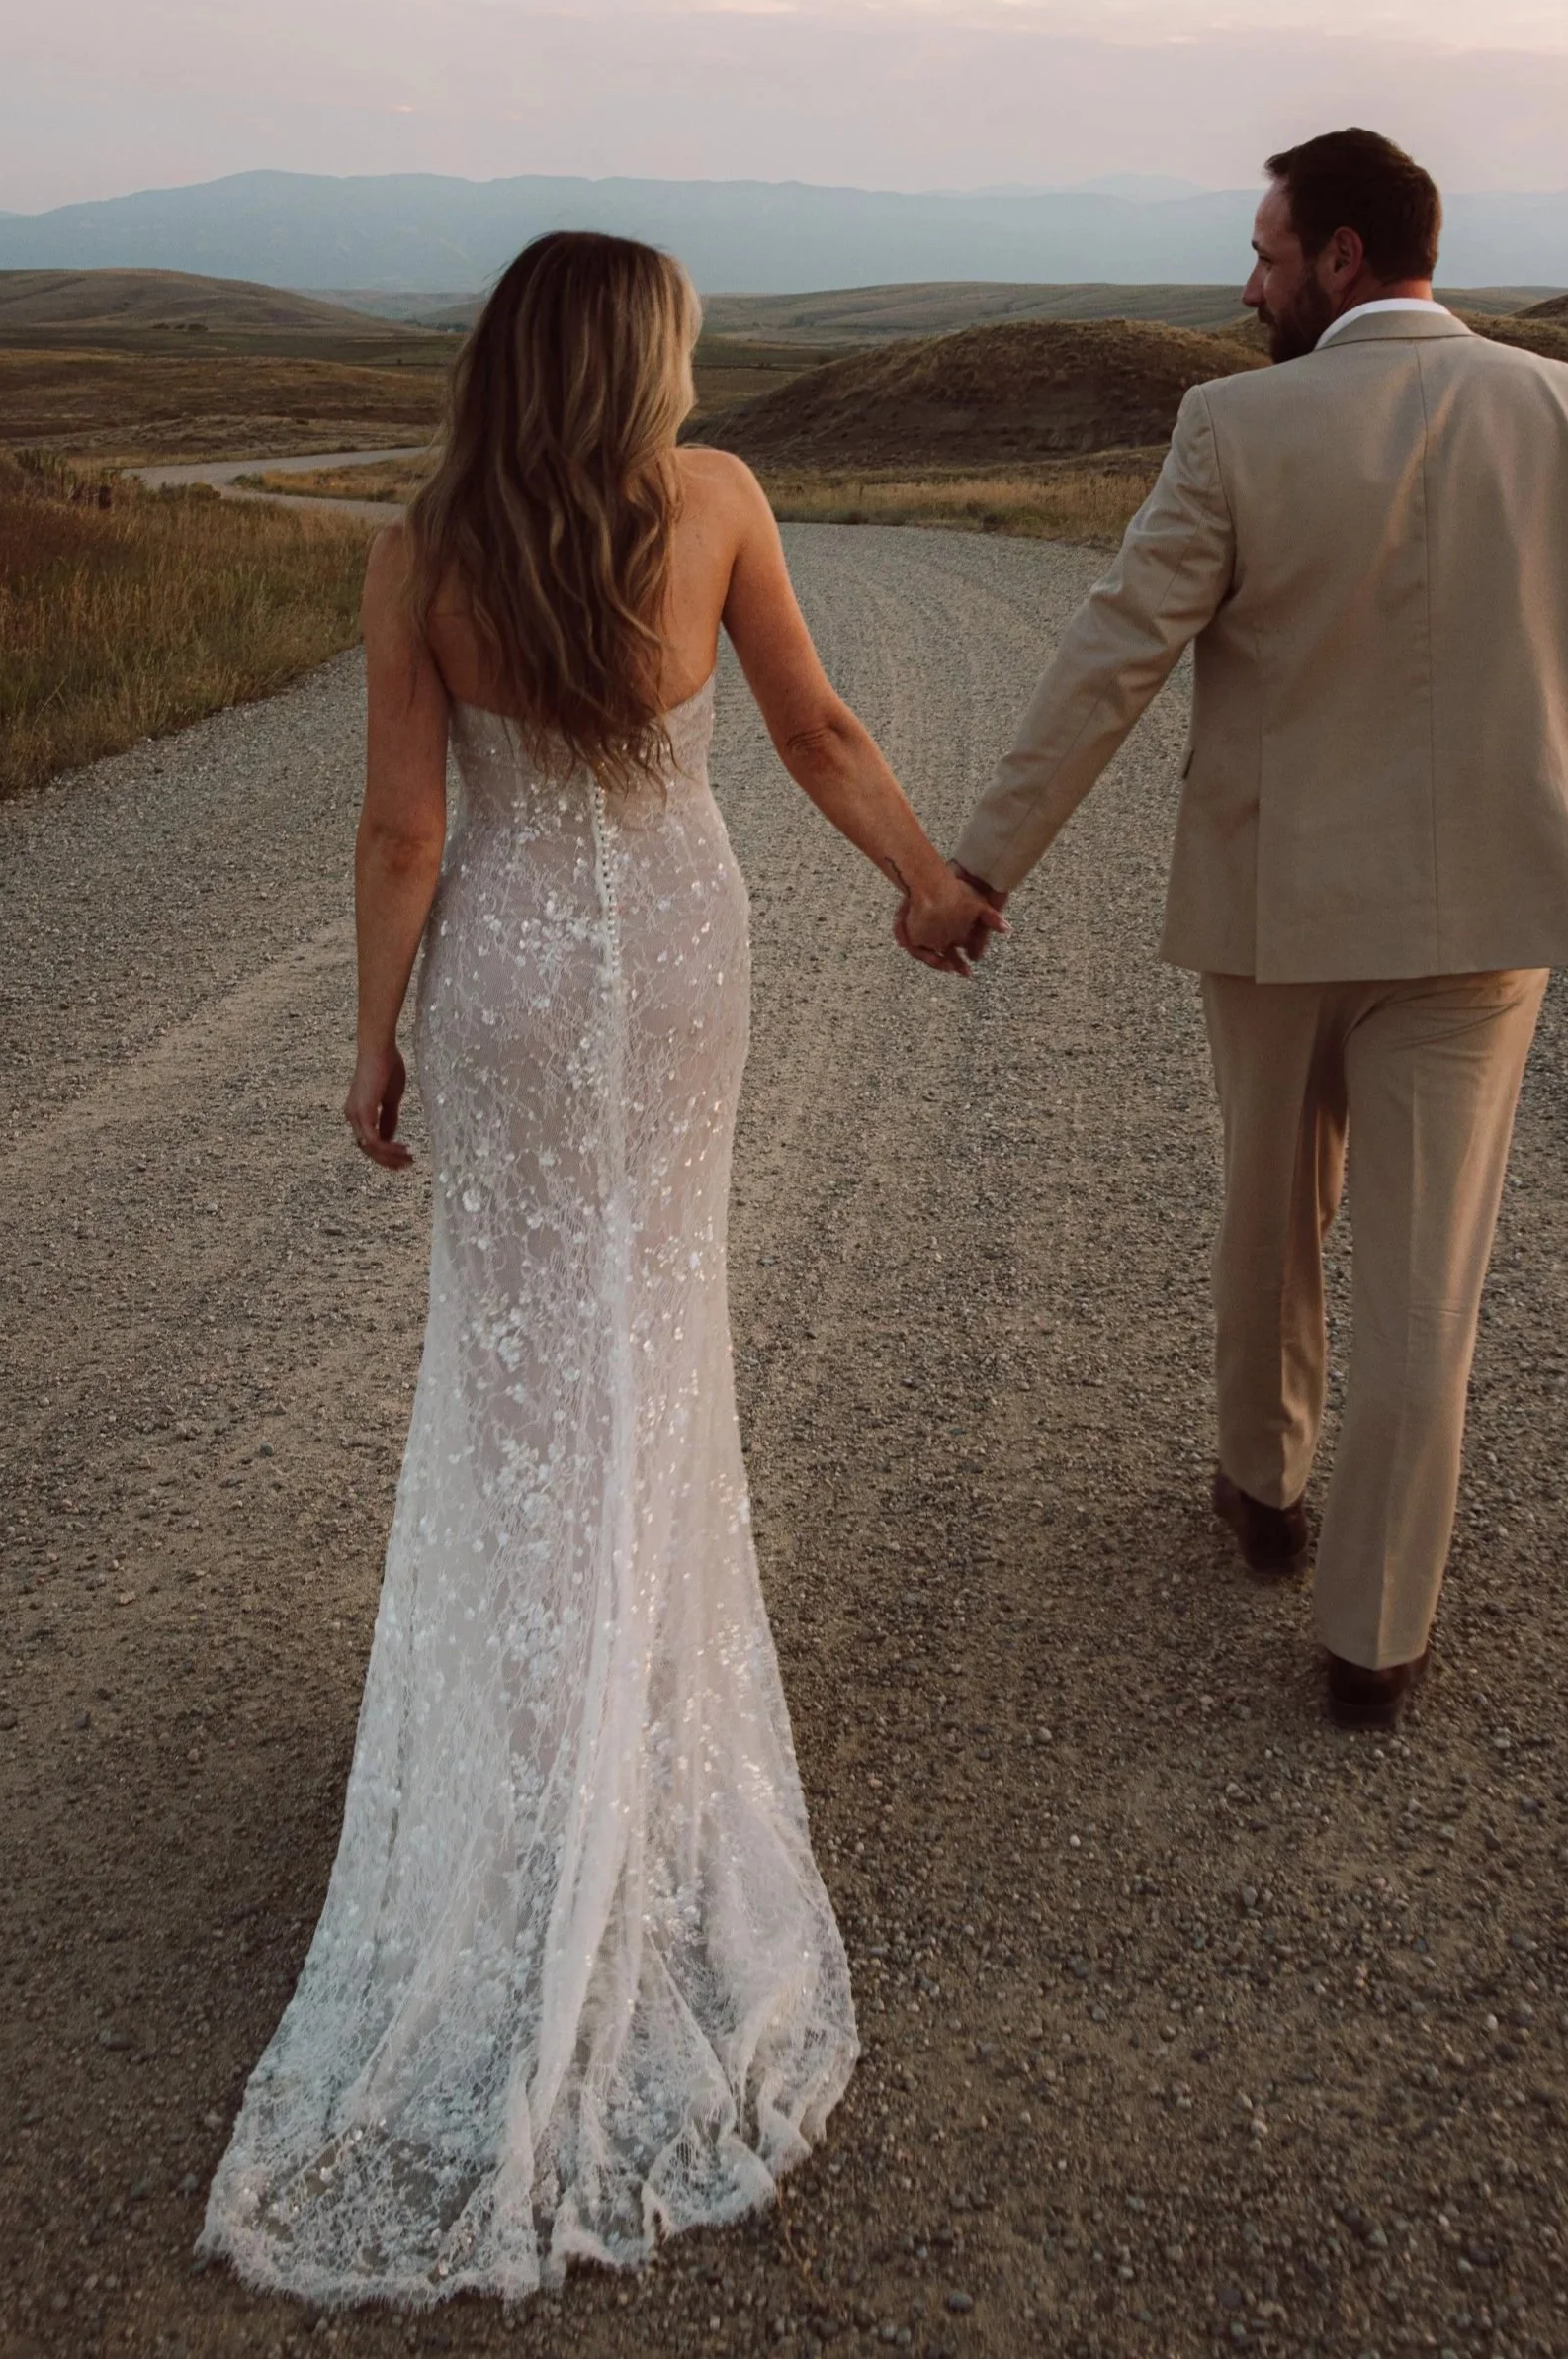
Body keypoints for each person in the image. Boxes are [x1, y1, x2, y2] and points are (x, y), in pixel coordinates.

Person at [199, 230, 1001, 2306]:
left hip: (520, 984)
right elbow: (814, 726)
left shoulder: (418, 543)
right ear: (640, 358)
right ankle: (640, 1735)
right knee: (659, 1341)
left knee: (522, 1364)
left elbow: (401, 834)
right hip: (676, 976)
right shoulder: (714, 499)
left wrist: (372, 1036)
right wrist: (926, 880)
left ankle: (526, 1744)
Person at [948, 129, 1568, 1730]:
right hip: (1487, 922)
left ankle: (1263, 1487)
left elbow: (1116, 648)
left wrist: (989, 861)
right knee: (1426, 1278)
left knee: (1269, 1202)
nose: (1246, 284)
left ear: (1339, 258)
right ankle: (1374, 1641)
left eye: (1265, 254)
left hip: (1276, 913)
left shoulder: (1237, 424)